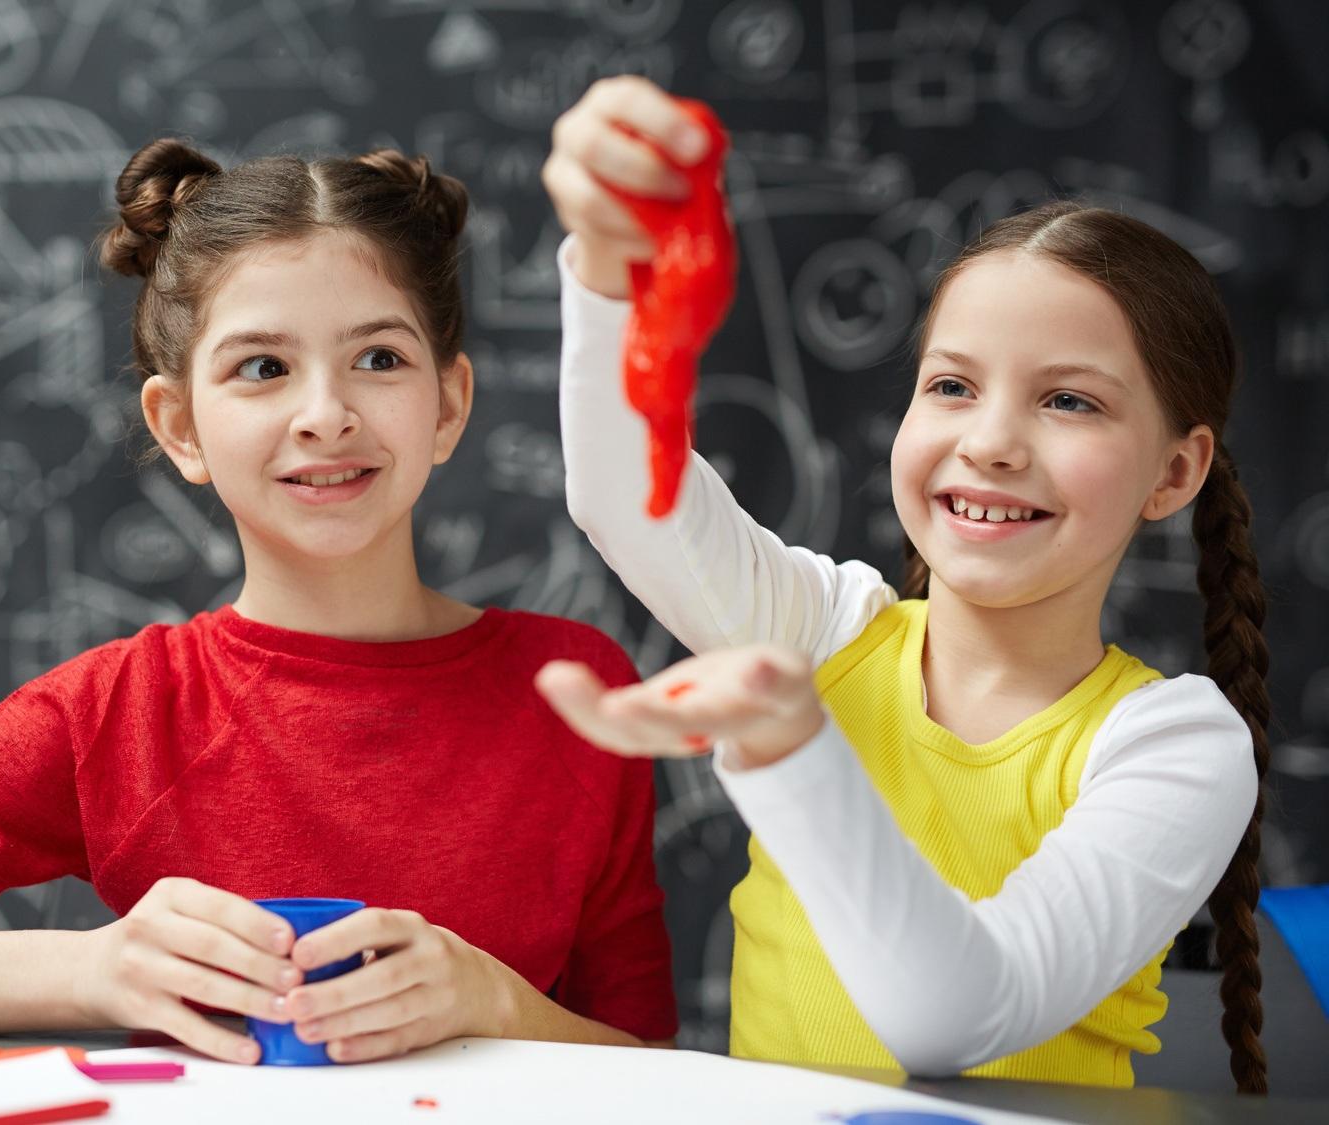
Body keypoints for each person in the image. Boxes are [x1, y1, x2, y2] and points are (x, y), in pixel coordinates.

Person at [0, 138, 677, 1063]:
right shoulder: (115, 714)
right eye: (262, 368)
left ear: (447, 403)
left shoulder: (576, 687)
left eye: (377, 359)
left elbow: (655, 1073)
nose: (325, 414)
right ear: (179, 425)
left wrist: (493, 1003)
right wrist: (90, 969)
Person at [534, 75, 1267, 1092]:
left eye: (1066, 400)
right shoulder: (825, 632)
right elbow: (626, 494)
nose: (990, 442)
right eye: (951, 386)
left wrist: (790, 749)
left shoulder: (1174, 745)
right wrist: (608, 271)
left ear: (1173, 473)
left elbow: (955, 1018)